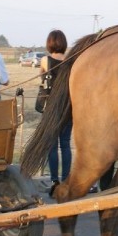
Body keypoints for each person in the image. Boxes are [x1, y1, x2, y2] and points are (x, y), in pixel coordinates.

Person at [40, 30, 71, 197]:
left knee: (52, 146)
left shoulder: (45, 60)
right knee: (65, 145)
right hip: (66, 107)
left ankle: (54, 180)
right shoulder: (69, 60)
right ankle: (66, 178)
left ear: (50, 43)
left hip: (51, 108)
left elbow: (42, 78)